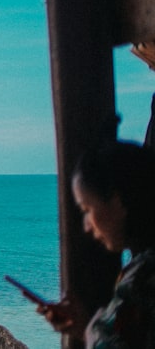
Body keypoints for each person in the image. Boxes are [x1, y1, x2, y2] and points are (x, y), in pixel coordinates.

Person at [39, 140, 155, 347]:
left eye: (87, 209)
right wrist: (87, 328)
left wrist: (96, 330)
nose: (86, 226)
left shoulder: (143, 279)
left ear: (118, 201)